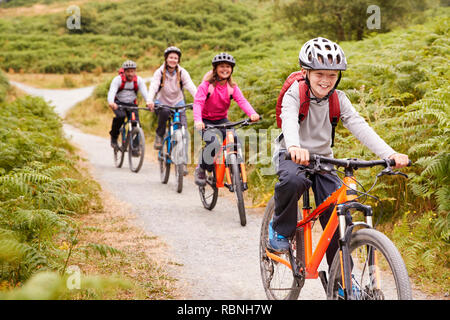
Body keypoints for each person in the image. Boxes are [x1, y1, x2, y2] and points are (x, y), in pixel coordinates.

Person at [269, 37, 409, 268]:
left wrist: (391, 153)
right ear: (305, 72)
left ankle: (342, 282)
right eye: (319, 74)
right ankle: (280, 230)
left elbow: (360, 126)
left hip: (323, 160)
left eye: (332, 75)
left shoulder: (338, 99)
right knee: (292, 180)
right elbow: (289, 120)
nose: (326, 81)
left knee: (338, 217)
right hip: (291, 154)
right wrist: (294, 146)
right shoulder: (295, 93)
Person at [193, 52, 260, 186]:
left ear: (232, 69)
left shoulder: (232, 87)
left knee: (235, 140)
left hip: (222, 119)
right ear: (215, 69)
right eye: (222, 66)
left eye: (228, 67)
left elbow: (242, 101)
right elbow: (198, 103)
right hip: (205, 121)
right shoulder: (206, 86)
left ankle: (237, 173)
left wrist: (252, 114)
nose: (225, 69)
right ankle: (201, 168)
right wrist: (198, 121)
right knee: (213, 143)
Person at [147, 46, 197, 156]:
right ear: (166, 58)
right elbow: (154, 86)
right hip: (162, 102)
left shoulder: (182, 72)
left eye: (175, 58)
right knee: (164, 112)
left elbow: (190, 86)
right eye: (171, 57)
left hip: (178, 102)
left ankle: (182, 159)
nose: (173, 60)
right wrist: (150, 100)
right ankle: (159, 136)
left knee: (183, 128)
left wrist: (199, 99)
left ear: (178, 60)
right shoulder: (159, 72)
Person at [108, 60, 150, 149]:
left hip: (132, 104)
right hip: (119, 104)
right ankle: (114, 137)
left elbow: (145, 93)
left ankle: (135, 146)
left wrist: (149, 102)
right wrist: (111, 102)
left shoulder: (139, 80)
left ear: (135, 71)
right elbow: (112, 92)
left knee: (136, 124)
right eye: (128, 71)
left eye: (132, 71)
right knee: (120, 117)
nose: (130, 74)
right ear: (124, 72)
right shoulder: (117, 80)